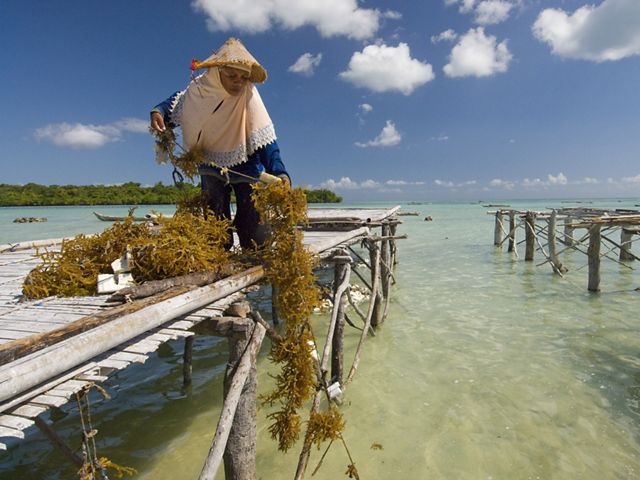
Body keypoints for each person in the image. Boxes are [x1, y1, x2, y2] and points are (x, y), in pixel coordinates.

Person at [150, 37, 290, 250]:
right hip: (210, 164)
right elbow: (173, 105)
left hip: (246, 164)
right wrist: (158, 112)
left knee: (253, 227)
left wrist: (279, 172)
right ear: (217, 73)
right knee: (216, 226)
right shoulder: (198, 90)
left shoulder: (249, 94)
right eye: (231, 75)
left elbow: (265, 139)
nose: (238, 81)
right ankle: (219, 266)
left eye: (244, 77)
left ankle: (256, 265)